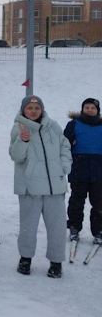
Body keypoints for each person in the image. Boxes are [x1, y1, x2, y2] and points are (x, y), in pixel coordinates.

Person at [10, 95, 72, 278]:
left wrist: (64, 166)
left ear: (41, 109)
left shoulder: (53, 126)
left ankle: (56, 262)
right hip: (30, 187)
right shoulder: (18, 127)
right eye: (29, 108)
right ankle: (25, 259)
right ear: (23, 110)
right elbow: (16, 156)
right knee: (28, 226)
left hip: (55, 186)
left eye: (36, 108)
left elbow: (64, 147)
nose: (33, 111)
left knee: (57, 227)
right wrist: (23, 140)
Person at [64, 98, 102, 245]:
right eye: (87, 107)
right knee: (76, 201)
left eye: (93, 108)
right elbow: (64, 144)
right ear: (82, 109)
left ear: (97, 110)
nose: (90, 110)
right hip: (78, 169)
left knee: (99, 203)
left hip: (99, 171)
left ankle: (99, 231)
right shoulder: (74, 124)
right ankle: (74, 228)